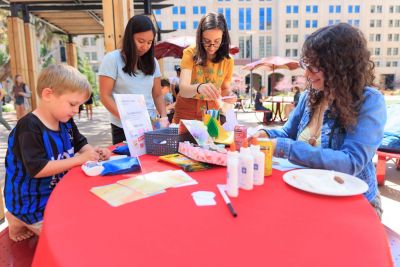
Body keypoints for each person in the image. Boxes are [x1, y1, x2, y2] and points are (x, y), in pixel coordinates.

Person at [251, 23, 386, 218]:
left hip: (355, 203)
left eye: (314, 67)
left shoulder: (369, 101)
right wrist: (264, 134)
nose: (306, 74)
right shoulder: (311, 96)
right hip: (310, 191)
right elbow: (286, 134)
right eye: (307, 65)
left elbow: (351, 163)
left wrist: (283, 147)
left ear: (338, 66)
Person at [3, 64, 111, 242]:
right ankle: (17, 216)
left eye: (79, 106)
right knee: (67, 239)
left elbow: (81, 144)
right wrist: (79, 160)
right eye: (73, 104)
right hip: (31, 203)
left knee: (94, 215)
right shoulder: (29, 127)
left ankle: (19, 217)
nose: (77, 110)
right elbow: (37, 169)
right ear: (48, 95)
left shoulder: (66, 122)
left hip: (57, 194)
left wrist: (94, 152)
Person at [99, 15, 167, 144]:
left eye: (149, 42)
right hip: (123, 126)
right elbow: (105, 96)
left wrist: (163, 117)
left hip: (150, 125)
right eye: (140, 41)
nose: (145, 46)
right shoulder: (112, 59)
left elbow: (157, 94)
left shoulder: (153, 62)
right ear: (130, 37)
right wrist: (127, 119)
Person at [172, 12, 236, 123]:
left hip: (212, 111)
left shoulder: (228, 60)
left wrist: (229, 97)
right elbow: (183, 89)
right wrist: (198, 87)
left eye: (217, 41)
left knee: (211, 140)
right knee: (182, 140)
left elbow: (225, 89)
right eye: (207, 41)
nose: (212, 46)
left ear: (223, 38)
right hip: (186, 109)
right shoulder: (190, 53)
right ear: (200, 37)